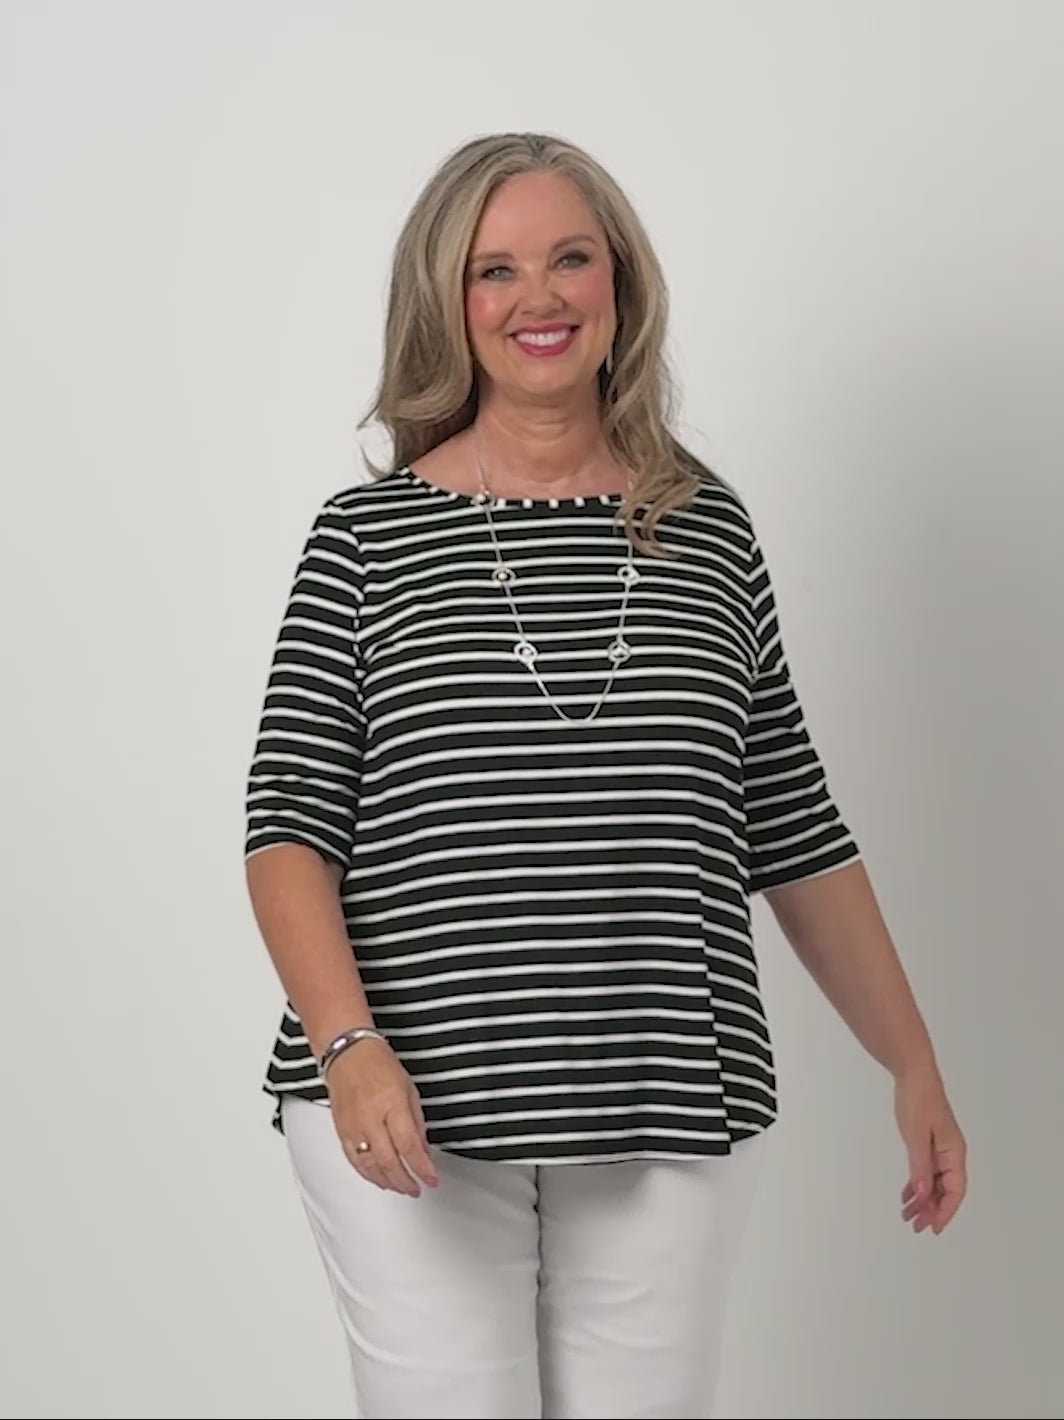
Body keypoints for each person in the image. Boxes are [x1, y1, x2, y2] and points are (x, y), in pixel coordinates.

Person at [243, 131, 967, 1420]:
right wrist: (348, 1047)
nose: (540, 297)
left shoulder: (708, 530)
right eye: (496, 270)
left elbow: (790, 822)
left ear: (620, 282)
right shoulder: (367, 540)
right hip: (411, 1100)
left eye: (571, 259)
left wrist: (911, 1061)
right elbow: (289, 828)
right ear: (449, 302)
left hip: (667, 1086)